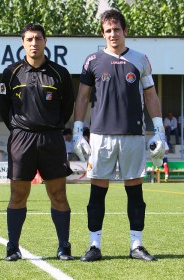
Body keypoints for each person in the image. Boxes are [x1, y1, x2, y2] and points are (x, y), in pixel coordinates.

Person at [73, 9, 165, 262]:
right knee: (97, 192)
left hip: (133, 134)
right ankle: (94, 246)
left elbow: (150, 95)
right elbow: (82, 96)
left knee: (135, 192)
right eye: (108, 30)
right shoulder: (92, 60)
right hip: (101, 136)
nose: (112, 34)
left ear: (125, 31)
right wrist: (77, 131)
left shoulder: (140, 59)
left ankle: (136, 245)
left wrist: (159, 129)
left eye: (116, 29)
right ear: (103, 34)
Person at [0, 23, 74, 261]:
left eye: (38, 38)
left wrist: (52, 127)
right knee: (18, 194)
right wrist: (20, 129)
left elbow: (67, 108)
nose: (34, 43)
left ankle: (64, 246)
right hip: (21, 139)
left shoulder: (60, 73)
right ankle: (13, 247)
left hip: (52, 139)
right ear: (23, 42)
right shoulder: (11, 73)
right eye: (29, 39)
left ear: (45, 41)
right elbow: (4, 110)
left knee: (58, 194)